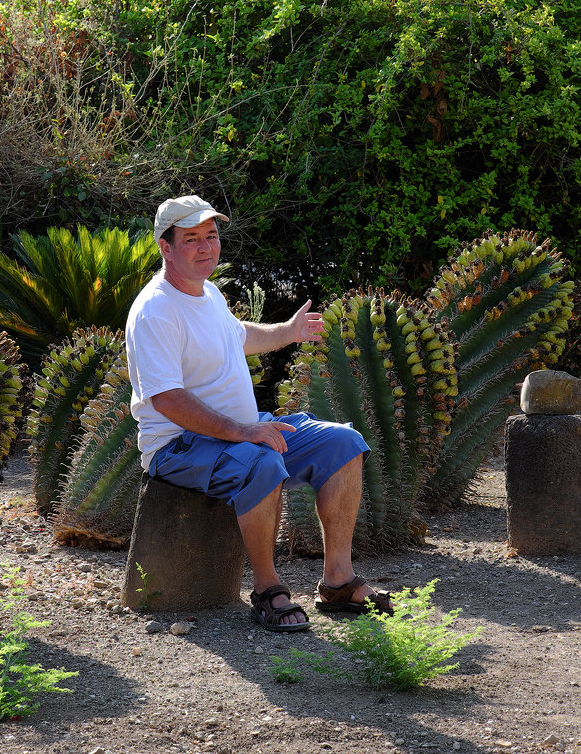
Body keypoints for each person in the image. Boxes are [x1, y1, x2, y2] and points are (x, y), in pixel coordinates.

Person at [125, 195, 394, 632]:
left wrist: (286, 333)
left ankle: (338, 581)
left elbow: (236, 335)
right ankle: (268, 591)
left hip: (238, 432)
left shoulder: (207, 292)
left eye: (211, 236)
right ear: (165, 247)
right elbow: (166, 399)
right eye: (191, 238)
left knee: (344, 443)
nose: (205, 247)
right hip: (178, 446)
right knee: (262, 461)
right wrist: (242, 431)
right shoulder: (155, 310)